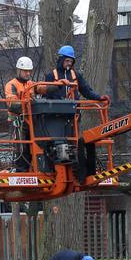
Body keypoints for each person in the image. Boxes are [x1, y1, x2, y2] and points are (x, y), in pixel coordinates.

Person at [39, 46, 109, 178]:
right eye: (67, 61)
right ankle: (56, 168)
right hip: (55, 116)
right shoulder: (51, 76)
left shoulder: (76, 76)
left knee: (73, 142)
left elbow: (86, 90)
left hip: (73, 115)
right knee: (58, 141)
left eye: (71, 61)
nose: (69, 64)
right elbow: (45, 93)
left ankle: (74, 168)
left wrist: (99, 97)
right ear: (61, 60)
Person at [3, 55, 46, 171]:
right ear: (19, 70)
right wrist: (29, 105)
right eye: (25, 71)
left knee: (37, 144)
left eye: (29, 71)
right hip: (17, 121)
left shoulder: (31, 84)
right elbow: (12, 104)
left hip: (31, 120)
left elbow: (43, 88)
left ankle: (37, 169)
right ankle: (21, 171)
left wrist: (58, 85)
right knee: (22, 147)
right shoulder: (11, 85)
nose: (28, 74)